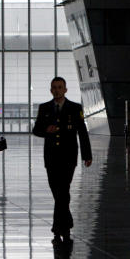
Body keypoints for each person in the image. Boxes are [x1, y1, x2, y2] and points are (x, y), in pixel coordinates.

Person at [33, 76, 92, 249]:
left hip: (68, 157)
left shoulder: (75, 108)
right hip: (51, 157)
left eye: (60, 87)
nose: (57, 90)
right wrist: (46, 130)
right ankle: (67, 219)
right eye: (54, 87)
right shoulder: (44, 108)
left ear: (65, 89)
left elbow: (82, 132)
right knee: (57, 190)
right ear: (51, 90)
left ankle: (59, 226)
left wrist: (87, 155)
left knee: (63, 189)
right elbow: (36, 129)